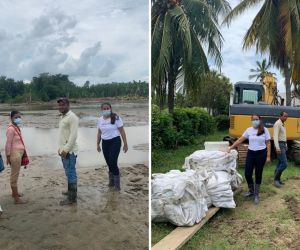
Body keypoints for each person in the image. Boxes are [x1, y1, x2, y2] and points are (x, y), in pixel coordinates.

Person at [228, 114, 271, 204]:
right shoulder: (249, 130)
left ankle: (256, 194)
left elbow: (268, 143)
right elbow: (240, 140)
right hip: (251, 153)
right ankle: (251, 191)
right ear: (251, 120)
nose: (255, 121)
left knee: (258, 173)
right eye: (253, 119)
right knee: (247, 173)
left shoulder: (264, 130)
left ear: (260, 120)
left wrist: (268, 156)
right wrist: (230, 147)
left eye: (257, 119)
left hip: (261, 154)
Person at [97, 103, 128, 191]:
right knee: (109, 163)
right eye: (104, 108)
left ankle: (117, 186)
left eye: (107, 108)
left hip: (115, 141)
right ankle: (111, 183)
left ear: (110, 108)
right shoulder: (100, 120)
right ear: (101, 110)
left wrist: (125, 144)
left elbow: (122, 131)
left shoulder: (116, 118)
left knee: (113, 162)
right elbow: (99, 133)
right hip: (105, 143)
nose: (106, 109)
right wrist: (97, 144)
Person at [57, 98, 79, 205]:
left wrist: (65, 149)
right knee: (67, 172)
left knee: (71, 173)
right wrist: (60, 148)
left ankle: (72, 199)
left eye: (63, 105)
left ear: (68, 105)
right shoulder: (62, 117)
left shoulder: (72, 117)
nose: (61, 107)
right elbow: (63, 135)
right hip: (64, 150)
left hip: (70, 151)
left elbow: (73, 136)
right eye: (60, 105)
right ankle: (70, 191)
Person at [5, 110, 28, 204]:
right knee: (14, 176)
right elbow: (8, 144)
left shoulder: (16, 127)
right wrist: (7, 156)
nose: (18, 119)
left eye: (19, 117)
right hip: (15, 154)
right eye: (16, 117)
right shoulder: (11, 129)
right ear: (11, 118)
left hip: (18, 154)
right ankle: (16, 199)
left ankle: (15, 194)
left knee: (15, 174)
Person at [273, 111, 288, 188]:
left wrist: (286, 144)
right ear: (280, 116)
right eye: (285, 116)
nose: (286, 118)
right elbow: (275, 136)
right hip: (279, 144)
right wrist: (277, 148)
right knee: (284, 164)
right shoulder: (277, 124)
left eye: (287, 116)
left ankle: (277, 179)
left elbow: (283, 135)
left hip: (282, 144)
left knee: (280, 163)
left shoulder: (282, 124)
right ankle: (275, 180)